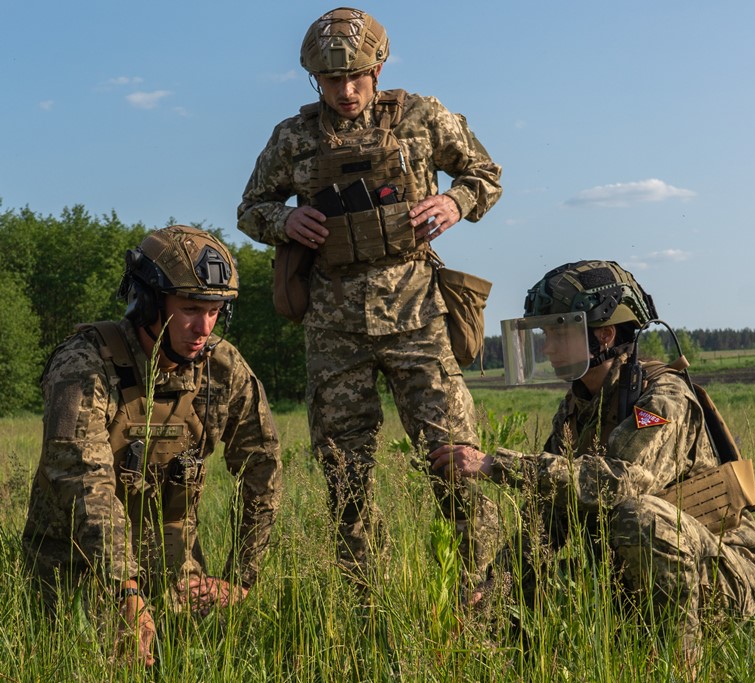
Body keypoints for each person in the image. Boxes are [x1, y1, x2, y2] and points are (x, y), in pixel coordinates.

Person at [237, 7, 503, 591]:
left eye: (357, 75)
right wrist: (285, 220)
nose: (346, 89)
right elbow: (250, 208)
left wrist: (455, 202)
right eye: (332, 80)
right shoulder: (293, 138)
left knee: (456, 462)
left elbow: (486, 174)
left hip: (417, 318)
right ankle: (371, 603)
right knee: (344, 474)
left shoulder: (422, 117)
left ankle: (484, 595)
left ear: (379, 66)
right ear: (314, 79)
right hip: (334, 328)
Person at [429, 260, 755, 658]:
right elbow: (549, 514)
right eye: (545, 333)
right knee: (545, 576)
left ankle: (677, 665)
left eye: (559, 332)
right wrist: (494, 586)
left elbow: (623, 481)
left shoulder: (662, 398)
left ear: (605, 335)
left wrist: (497, 464)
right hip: (636, 570)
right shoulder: (579, 405)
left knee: (639, 516)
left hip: (724, 573)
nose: (547, 347)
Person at [22, 226, 283, 668]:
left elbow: (263, 468)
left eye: (215, 311)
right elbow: (85, 483)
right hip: (76, 565)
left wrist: (242, 579)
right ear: (147, 301)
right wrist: (128, 590)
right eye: (190, 309)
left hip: (173, 564)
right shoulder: (84, 364)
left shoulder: (222, 368)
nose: (203, 328)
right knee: (93, 659)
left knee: (209, 660)